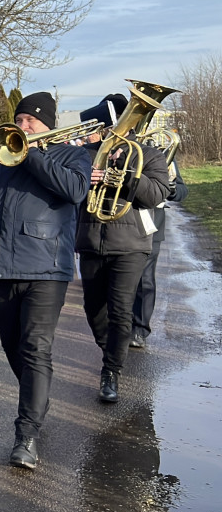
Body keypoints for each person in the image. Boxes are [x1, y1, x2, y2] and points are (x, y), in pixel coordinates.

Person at [0, 92, 91, 469]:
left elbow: (75, 191)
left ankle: (26, 434)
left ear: (48, 126)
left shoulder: (72, 156)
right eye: (19, 120)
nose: (22, 127)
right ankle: (37, 400)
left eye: (31, 122)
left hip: (47, 265)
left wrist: (30, 154)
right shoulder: (2, 159)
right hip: (4, 265)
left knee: (35, 348)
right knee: (12, 345)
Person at [75, 95, 170, 403]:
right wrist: (83, 181)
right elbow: (67, 189)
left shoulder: (149, 155)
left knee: (119, 309)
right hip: (90, 239)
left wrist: (125, 176)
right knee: (94, 310)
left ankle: (111, 370)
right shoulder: (86, 154)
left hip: (131, 244)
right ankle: (111, 350)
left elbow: (156, 194)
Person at [131, 148, 187, 348]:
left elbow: (181, 190)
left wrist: (169, 188)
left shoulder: (161, 152)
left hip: (150, 222)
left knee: (144, 279)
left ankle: (139, 329)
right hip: (116, 220)